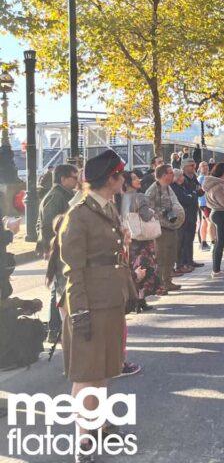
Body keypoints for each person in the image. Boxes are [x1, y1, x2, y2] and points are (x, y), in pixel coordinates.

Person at [55, 150, 134, 462]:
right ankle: (83, 437)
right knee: (87, 373)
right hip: (91, 302)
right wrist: (80, 310)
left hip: (109, 299)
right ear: (110, 179)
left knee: (102, 369)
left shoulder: (105, 207)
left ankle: (99, 422)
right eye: (120, 175)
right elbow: (71, 269)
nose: (123, 180)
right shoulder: (79, 215)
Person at [36, 163, 79, 343]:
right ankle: (55, 329)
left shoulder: (64, 195)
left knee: (60, 287)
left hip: (61, 247)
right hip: (58, 248)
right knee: (59, 289)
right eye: (74, 177)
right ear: (63, 179)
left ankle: (57, 329)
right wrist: (52, 247)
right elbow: (48, 225)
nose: (77, 181)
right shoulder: (56, 196)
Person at [120, 171, 159, 306]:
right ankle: (141, 299)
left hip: (128, 237)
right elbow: (146, 215)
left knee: (132, 266)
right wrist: (153, 212)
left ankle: (134, 297)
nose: (139, 180)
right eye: (135, 178)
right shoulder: (139, 196)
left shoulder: (120, 197)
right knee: (144, 267)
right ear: (128, 182)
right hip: (142, 238)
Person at [146, 164, 184, 292]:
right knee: (161, 257)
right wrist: (163, 211)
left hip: (171, 227)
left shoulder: (168, 188)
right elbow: (147, 209)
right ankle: (160, 284)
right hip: (160, 228)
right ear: (163, 175)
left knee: (171, 256)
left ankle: (168, 281)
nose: (172, 175)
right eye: (170, 173)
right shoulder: (152, 190)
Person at [203, 163, 224, 279]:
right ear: (223, 172)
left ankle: (216, 269)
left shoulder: (210, 184)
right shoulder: (219, 185)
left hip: (215, 212)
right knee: (220, 244)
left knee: (218, 243)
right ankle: (216, 270)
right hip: (221, 213)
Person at [173, 160, 204, 274]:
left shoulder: (193, 178)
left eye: (194, 165)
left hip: (193, 210)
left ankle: (189, 260)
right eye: (191, 165)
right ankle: (183, 262)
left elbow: (198, 191)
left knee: (190, 237)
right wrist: (193, 194)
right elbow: (186, 197)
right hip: (185, 212)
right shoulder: (182, 181)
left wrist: (197, 193)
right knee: (183, 239)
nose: (193, 167)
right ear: (185, 167)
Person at [196, 161, 211, 251]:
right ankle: (208, 241)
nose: (205, 167)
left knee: (205, 222)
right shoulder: (201, 178)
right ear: (200, 168)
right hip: (204, 203)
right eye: (203, 166)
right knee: (209, 222)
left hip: (208, 203)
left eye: (206, 165)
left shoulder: (207, 177)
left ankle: (204, 242)